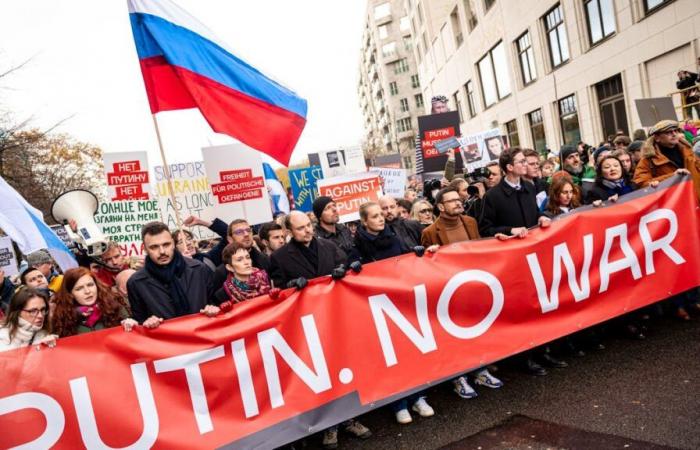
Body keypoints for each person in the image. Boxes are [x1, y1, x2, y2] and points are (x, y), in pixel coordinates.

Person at [349, 202, 435, 424]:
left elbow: (404, 262)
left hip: (401, 303)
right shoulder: (356, 246)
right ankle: (399, 404)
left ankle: (417, 398)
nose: (381, 218)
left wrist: (414, 253)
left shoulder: (394, 237)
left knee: (410, 353)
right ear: (364, 221)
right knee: (391, 358)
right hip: (377, 308)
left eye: (381, 215)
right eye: (375, 216)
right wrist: (353, 267)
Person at [479, 148, 561, 375]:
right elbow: (485, 229)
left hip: (535, 257)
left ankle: (545, 351)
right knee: (523, 310)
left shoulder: (528, 188)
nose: (526, 164)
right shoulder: (493, 196)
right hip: (513, 262)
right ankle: (526, 358)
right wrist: (510, 230)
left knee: (542, 305)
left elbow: (534, 213)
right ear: (509, 167)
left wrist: (542, 217)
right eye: (521, 161)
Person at [421, 187, 503, 398]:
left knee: (477, 333)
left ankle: (480, 370)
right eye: (452, 201)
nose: (458, 203)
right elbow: (424, 268)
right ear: (440, 207)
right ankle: (459, 378)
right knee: (455, 338)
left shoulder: (470, 222)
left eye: (459, 199)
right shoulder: (430, 232)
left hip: (474, 285)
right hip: (450, 293)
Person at [127, 221, 218, 327]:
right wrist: (145, 323)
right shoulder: (136, 282)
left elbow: (216, 301)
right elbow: (139, 321)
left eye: (166, 244)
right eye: (154, 247)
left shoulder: (199, 269)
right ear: (145, 248)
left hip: (203, 336)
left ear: (173, 243)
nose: (162, 251)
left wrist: (213, 308)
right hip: (165, 341)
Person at [269, 211, 348, 289]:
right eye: (300, 228)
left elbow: (344, 265)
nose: (307, 230)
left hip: (332, 298)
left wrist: (342, 269)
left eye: (308, 225)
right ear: (290, 232)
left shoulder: (329, 246)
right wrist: (291, 285)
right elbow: (280, 290)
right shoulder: (278, 257)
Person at [51, 267, 136, 336]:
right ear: (70, 294)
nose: (87, 291)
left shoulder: (116, 304)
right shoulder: (63, 317)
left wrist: (134, 323)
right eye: (79, 288)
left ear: (97, 286)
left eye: (90, 285)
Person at [633, 120, 700, 201]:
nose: (674, 134)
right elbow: (641, 184)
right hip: (673, 205)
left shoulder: (688, 151)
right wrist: (672, 177)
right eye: (668, 132)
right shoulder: (648, 159)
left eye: (675, 131)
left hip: (695, 200)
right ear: (657, 138)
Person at [211, 219, 271, 303]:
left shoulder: (265, 260)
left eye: (248, 230)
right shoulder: (221, 272)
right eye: (239, 232)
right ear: (230, 239)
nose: (246, 234)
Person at [0, 287, 57, 352]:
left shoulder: (45, 335)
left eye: (43, 310)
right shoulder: (3, 337)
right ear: (17, 312)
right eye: (33, 311)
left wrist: (47, 349)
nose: (40, 316)